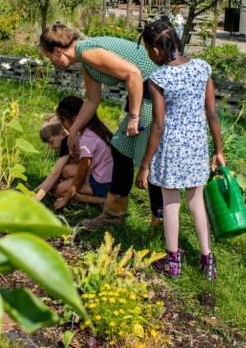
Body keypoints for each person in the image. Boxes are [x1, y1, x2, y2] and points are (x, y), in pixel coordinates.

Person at [39, 23, 163, 230]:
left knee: (149, 159)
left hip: (154, 93)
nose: (50, 61)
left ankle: (159, 219)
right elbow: (92, 99)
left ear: (58, 51)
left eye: (49, 56)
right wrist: (72, 134)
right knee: (120, 148)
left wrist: (134, 116)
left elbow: (133, 74)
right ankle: (114, 214)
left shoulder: (87, 52)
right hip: (145, 94)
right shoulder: (85, 57)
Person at [135, 19, 225, 281]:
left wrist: (144, 165)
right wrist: (217, 150)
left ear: (155, 50)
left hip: (172, 149)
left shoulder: (158, 78)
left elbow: (159, 126)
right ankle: (208, 260)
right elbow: (212, 113)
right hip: (197, 145)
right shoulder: (201, 68)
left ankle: (173, 262)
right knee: (197, 203)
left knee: (171, 204)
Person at [35, 98, 114, 208]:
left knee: (60, 191)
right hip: (107, 177)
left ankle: (103, 200)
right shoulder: (92, 130)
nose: (62, 124)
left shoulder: (87, 140)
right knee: (66, 171)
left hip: (103, 184)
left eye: (62, 120)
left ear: (75, 119)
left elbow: (80, 177)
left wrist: (65, 199)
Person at [35, 114, 79, 202]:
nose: (50, 147)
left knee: (65, 171)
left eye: (51, 142)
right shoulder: (71, 138)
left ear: (63, 134)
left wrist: (36, 197)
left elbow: (56, 173)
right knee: (66, 168)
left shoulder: (66, 141)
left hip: (94, 174)